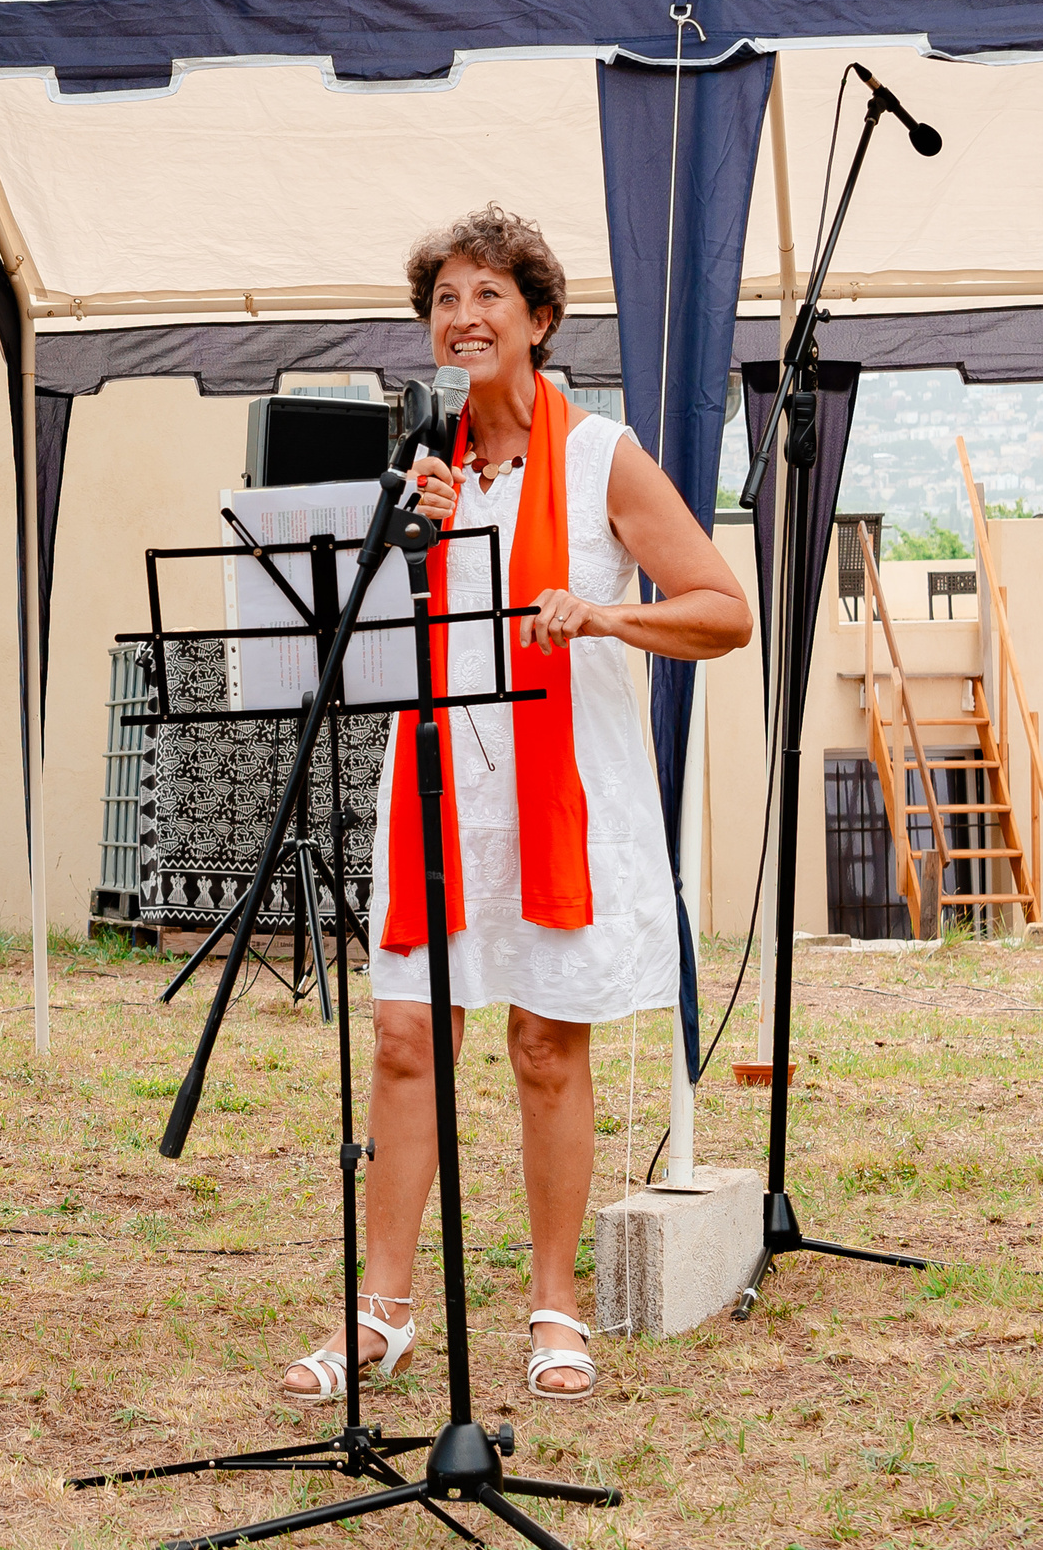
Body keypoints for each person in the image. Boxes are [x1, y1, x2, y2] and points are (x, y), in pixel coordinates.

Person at [277, 206, 750, 1407]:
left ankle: (553, 1306)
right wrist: (408, 534)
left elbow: (721, 610)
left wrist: (602, 613)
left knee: (544, 1044)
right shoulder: (420, 468)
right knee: (403, 1037)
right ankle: (382, 1311)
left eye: (487, 293)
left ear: (538, 319)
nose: (462, 315)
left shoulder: (600, 457)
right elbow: (364, 637)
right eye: (444, 298)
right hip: (437, 783)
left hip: (560, 794)